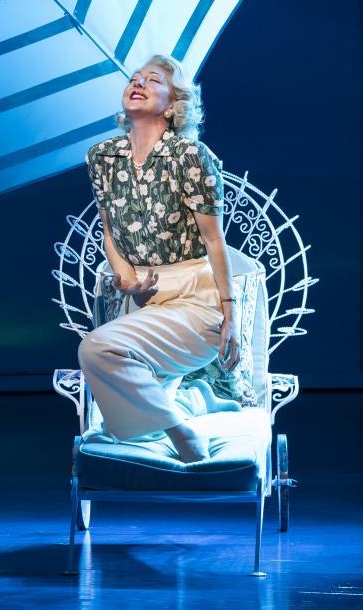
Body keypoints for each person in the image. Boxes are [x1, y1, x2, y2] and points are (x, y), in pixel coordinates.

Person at [76, 54, 239, 463]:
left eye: (154, 80)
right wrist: (125, 277)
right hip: (145, 301)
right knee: (121, 431)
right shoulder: (102, 157)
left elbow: (215, 243)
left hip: (195, 300)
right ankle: (196, 398)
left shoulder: (190, 155)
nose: (139, 83)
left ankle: (178, 429)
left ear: (173, 105)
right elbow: (108, 227)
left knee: (96, 349)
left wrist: (231, 315)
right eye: (134, 78)